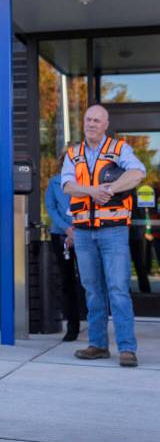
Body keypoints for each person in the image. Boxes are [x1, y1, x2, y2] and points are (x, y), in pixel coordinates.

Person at [62, 104, 145, 367]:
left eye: (97, 120)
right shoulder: (73, 153)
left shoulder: (119, 149)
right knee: (92, 290)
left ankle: (127, 348)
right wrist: (92, 191)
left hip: (114, 232)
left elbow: (137, 173)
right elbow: (67, 185)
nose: (91, 124)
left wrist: (109, 188)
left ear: (106, 124)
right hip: (84, 234)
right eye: (88, 119)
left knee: (118, 289)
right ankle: (97, 345)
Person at [44, 165, 84, 341]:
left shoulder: (88, 180)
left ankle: (96, 323)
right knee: (67, 281)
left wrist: (78, 229)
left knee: (91, 281)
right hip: (61, 235)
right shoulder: (54, 182)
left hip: (86, 234)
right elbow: (51, 208)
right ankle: (72, 327)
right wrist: (67, 229)